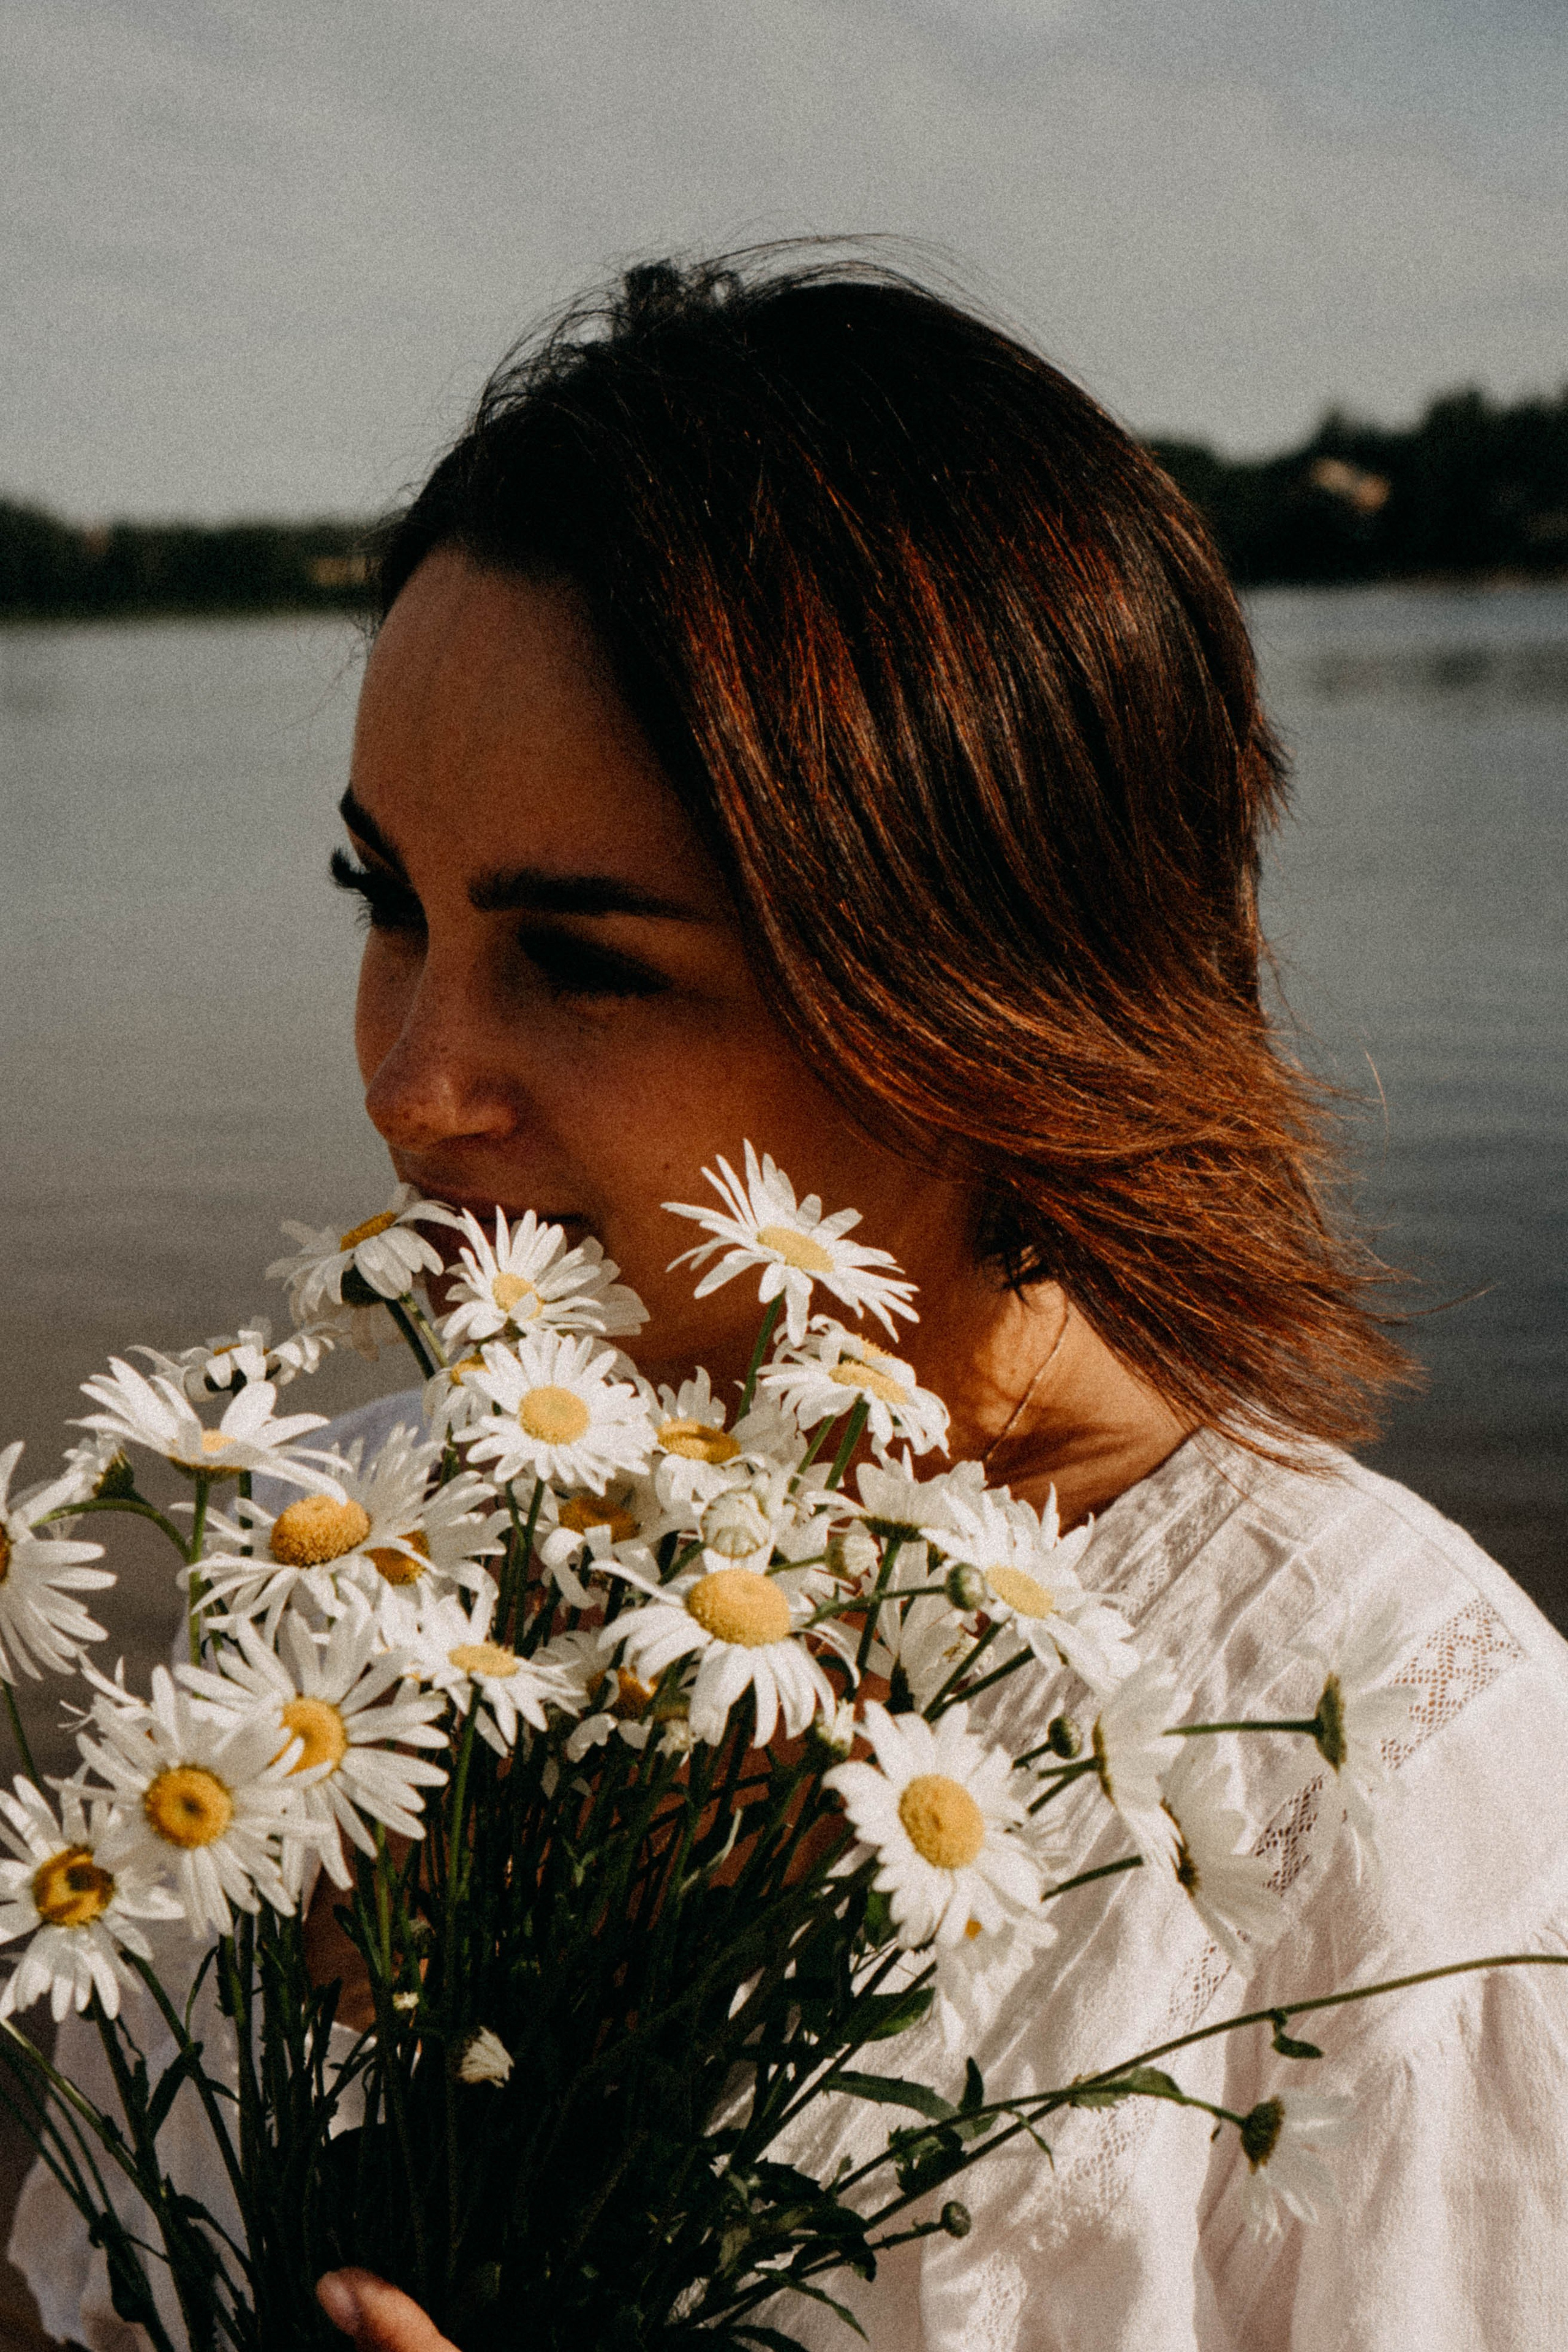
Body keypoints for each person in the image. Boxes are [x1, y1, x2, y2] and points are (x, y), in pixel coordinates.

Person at [21, 252, 1568, 2351]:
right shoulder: (355, 1576)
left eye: (585, 958)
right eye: (388, 904)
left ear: (986, 998)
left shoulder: (1388, 1777)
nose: (407, 1088)